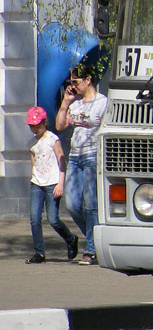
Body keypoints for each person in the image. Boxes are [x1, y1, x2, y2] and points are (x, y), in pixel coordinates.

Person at [56, 65, 108, 265]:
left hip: (93, 156)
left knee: (91, 204)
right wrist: (65, 103)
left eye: (76, 82)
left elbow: (105, 131)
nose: (73, 86)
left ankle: (92, 249)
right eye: (71, 82)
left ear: (88, 80)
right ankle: (95, 238)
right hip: (75, 156)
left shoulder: (102, 103)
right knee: (72, 204)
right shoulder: (75, 104)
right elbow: (60, 126)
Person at [25, 106, 78, 264]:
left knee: (53, 219)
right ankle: (39, 252)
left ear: (45, 123)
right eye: (32, 126)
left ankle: (71, 239)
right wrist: (33, 176)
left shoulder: (52, 139)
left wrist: (60, 183)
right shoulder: (31, 143)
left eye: (38, 125)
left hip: (52, 183)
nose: (35, 129)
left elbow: (62, 160)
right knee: (34, 218)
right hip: (37, 183)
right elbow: (33, 162)